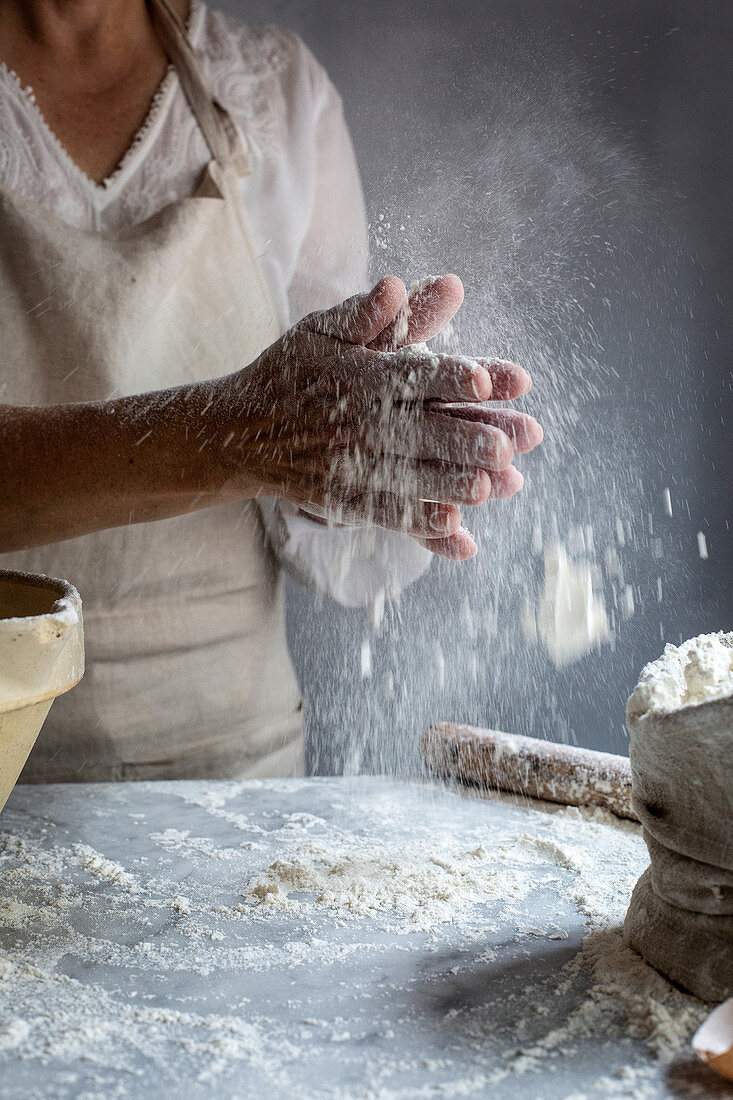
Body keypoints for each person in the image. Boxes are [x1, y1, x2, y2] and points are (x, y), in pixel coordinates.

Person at [0, 0, 542, 781]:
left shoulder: (275, 92)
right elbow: (261, 431)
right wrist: (234, 434)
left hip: (231, 768)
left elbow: (318, 496)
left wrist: (362, 454)